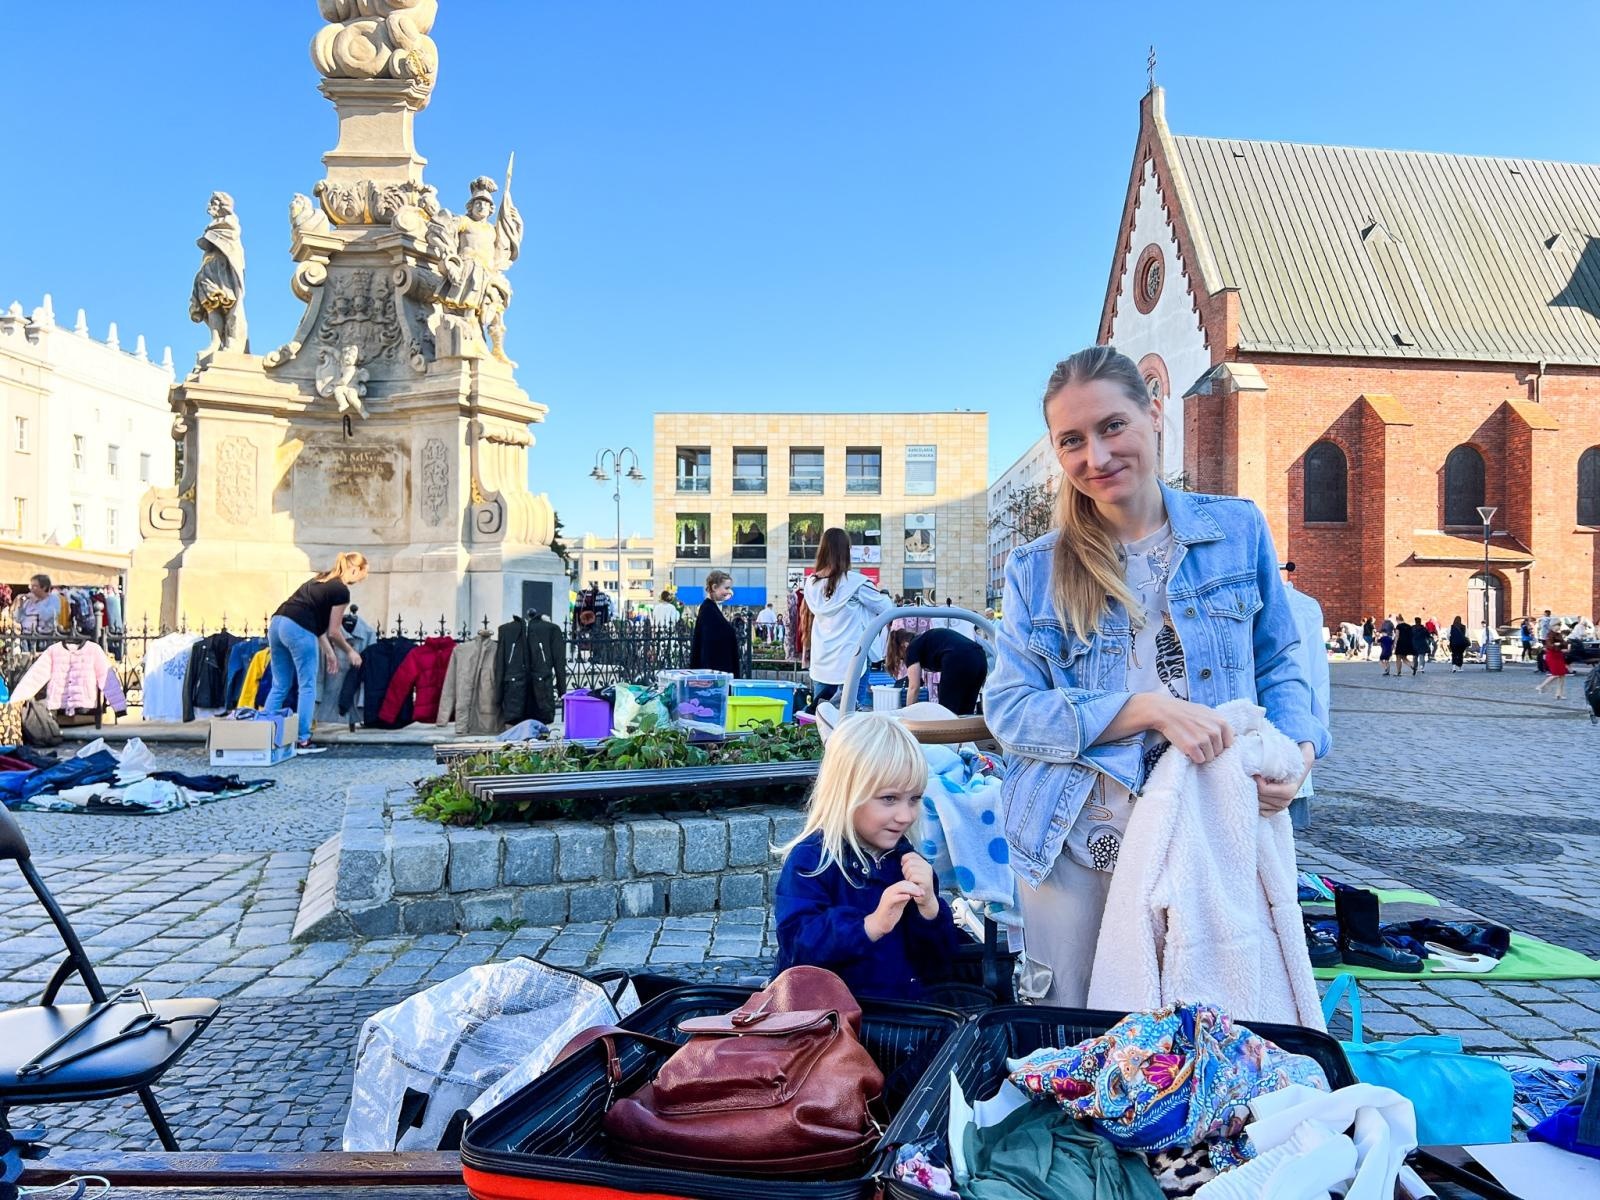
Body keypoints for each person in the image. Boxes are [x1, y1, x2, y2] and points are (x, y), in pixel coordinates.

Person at [985, 346, 1326, 1006]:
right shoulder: (1037, 568)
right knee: (1080, 1035)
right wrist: (1145, 709)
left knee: (1209, 1027)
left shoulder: (1236, 529)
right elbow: (1011, 710)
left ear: (1153, 411)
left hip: (1208, 827)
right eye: (1072, 441)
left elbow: (1283, 659)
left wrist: (1298, 755)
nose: (1096, 457)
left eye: (1113, 426)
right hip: (1078, 840)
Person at [774, 712, 960, 1001]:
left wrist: (930, 911)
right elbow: (798, 947)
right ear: (846, 795)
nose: (905, 815)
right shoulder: (811, 860)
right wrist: (869, 926)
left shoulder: (909, 863)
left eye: (915, 799)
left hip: (900, 1023)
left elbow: (939, 964)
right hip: (825, 1026)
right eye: (889, 799)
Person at [266, 551, 368, 752]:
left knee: (280, 685)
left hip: (277, 624)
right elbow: (334, 631)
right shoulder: (341, 591)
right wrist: (350, 652)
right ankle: (303, 739)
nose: (362, 580)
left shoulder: (320, 579)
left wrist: (329, 652)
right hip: (298, 629)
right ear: (355, 569)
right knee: (307, 686)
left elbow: (319, 625)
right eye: (363, 575)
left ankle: (263, 735)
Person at [803, 528, 892, 710]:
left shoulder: (810, 584)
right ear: (846, 551)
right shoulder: (857, 583)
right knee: (850, 715)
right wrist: (882, 592)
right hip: (852, 657)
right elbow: (886, 608)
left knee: (821, 715)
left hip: (823, 659)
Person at [885, 626, 988, 715]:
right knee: (966, 710)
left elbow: (913, 688)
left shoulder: (911, 648)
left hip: (957, 659)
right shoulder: (925, 640)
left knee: (948, 712)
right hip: (979, 656)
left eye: (902, 658)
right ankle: (966, 737)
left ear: (903, 645)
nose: (904, 660)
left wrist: (907, 718)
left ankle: (950, 736)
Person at [689, 570, 741, 676]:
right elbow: (708, 645)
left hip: (719, 669)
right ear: (714, 587)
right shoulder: (708, 610)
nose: (728, 592)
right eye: (726, 588)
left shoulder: (711, 608)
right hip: (716, 670)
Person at [1535, 628, 1570, 700]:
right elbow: (1550, 646)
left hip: (1559, 656)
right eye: (1557, 625)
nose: (1559, 627)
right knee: (1556, 674)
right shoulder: (1549, 635)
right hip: (1552, 656)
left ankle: (1559, 694)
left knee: (1562, 675)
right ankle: (1541, 686)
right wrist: (1558, 645)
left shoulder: (1559, 635)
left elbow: (1564, 644)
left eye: (1559, 625)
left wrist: (1561, 645)